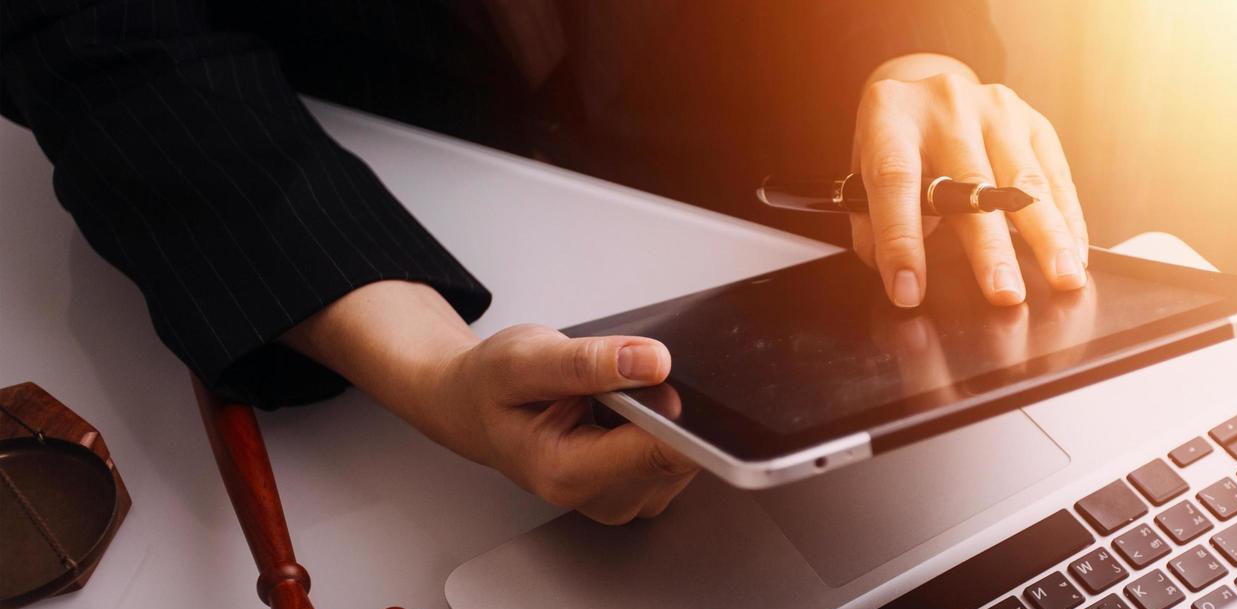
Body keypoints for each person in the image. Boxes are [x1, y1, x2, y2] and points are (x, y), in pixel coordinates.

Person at [1, 0, 1089, 523]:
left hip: (778, 222)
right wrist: (437, 374)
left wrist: (910, 56)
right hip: (401, 193)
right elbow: (114, 57)